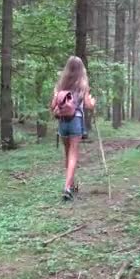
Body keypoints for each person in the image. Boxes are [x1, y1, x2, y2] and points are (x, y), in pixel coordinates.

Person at [53, 56, 96, 201]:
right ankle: (67, 187)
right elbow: (89, 105)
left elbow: (53, 104)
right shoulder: (82, 84)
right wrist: (92, 102)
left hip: (63, 121)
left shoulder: (60, 85)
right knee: (73, 155)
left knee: (67, 154)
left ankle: (70, 185)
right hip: (76, 120)